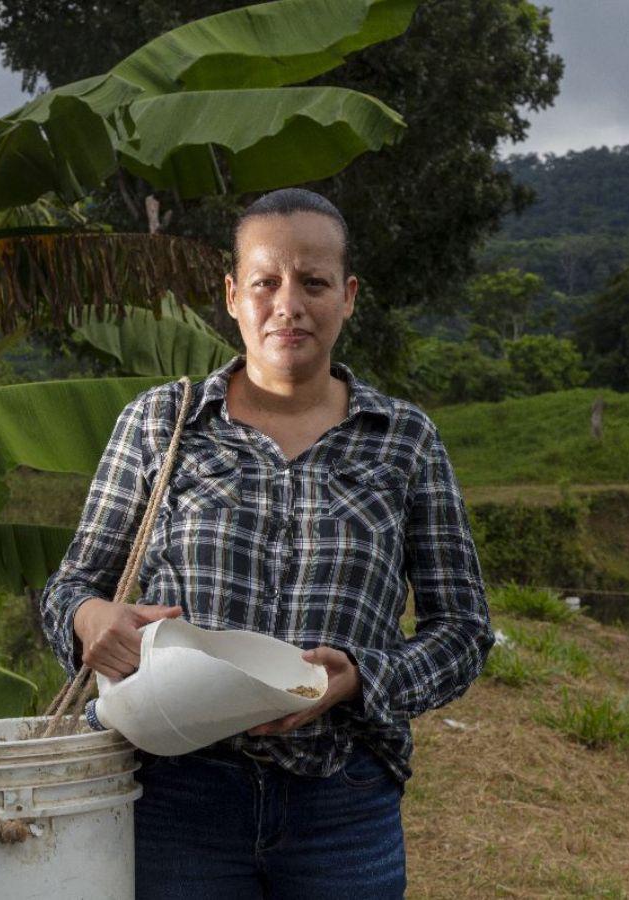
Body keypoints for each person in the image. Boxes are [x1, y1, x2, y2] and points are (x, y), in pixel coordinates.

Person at [39, 188, 495, 899]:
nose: (289, 304)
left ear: (347, 296)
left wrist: (360, 679)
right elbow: (69, 588)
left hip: (341, 804)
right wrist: (90, 619)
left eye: (314, 283)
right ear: (231, 295)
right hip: (175, 795)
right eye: (265, 282)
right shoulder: (162, 423)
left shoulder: (404, 440)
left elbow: (464, 630)